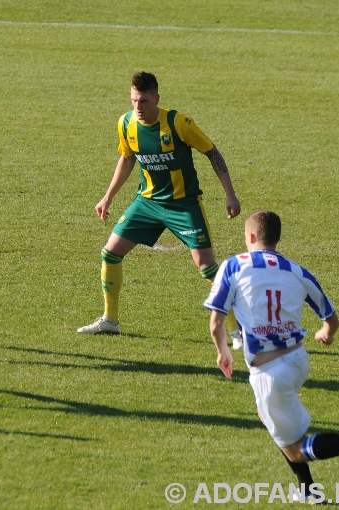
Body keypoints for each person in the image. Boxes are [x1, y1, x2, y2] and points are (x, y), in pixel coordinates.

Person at [204, 210, 339, 503]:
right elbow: (331, 319)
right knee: (267, 416)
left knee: (296, 447)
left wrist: (223, 351)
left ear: (249, 237)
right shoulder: (297, 271)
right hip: (298, 361)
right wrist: (326, 332)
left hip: (270, 372)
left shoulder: (234, 266)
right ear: (277, 238)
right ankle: (308, 490)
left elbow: (216, 322)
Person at [78, 71, 242, 338]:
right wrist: (108, 197)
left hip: (184, 205)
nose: (138, 107)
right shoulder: (126, 124)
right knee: (110, 253)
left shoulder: (179, 123)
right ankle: (110, 320)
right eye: (133, 101)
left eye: (143, 101)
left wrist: (230, 194)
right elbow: (127, 158)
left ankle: (237, 331)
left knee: (207, 268)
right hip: (148, 203)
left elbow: (212, 152)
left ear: (156, 98)